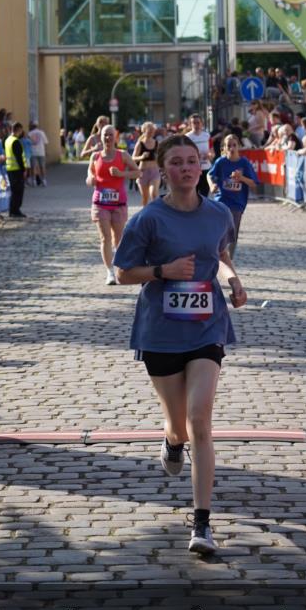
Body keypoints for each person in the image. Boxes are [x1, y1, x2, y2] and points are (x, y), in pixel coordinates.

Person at [113, 134, 247, 554]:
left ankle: (202, 523)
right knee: (179, 426)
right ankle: (172, 442)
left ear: (201, 165)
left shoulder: (218, 213)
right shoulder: (148, 219)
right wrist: (163, 271)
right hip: (161, 331)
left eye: (192, 161)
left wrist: (234, 281)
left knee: (200, 420)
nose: (186, 168)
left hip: (207, 326)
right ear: (162, 169)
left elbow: (220, 257)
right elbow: (123, 273)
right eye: (176, 162)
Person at [86, 125, 139, 285]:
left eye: (110, 135)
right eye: (105, 135)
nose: (108, 138)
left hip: (118, 203)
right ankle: (109, 272)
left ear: (115, 137)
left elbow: (138, 172)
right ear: (101, 137)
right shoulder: (95, 156)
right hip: (100, 202)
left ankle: (119, 268)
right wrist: (90, 179)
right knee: (105, 238)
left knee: (118, 238)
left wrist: (121, 173)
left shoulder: (122, 155)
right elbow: (89, 174)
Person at [207, 133, 259, 257]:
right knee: (220, 230)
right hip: (222, 201)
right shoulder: (221, 162)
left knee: (233, 234)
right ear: (224, 148)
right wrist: (212, 185)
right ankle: (218, 255)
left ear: (239, 146)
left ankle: (229, 259)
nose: (231, 148)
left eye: (234, 145)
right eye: (228, 145)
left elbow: (254, 184)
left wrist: (241, 178)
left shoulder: (244, 163)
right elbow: (209, 174)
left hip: (237, 203)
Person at [133, 121, 161, 206]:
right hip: (143, 172)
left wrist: (158, 157)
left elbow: (162, 157)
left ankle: (155, 212)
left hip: (154, 172)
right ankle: (145, 212)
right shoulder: (140, 144)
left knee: (154, 194)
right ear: (144, 131)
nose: (151, 133)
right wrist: (141, 157)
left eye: (153, 131)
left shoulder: (156, 143)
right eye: (149, 131)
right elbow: (133, 158)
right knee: (145, 198)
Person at [185, 114, 213, 196]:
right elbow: (184, 154)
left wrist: (209, 155)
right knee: (193, 193)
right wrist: (195, 156)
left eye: (198, 122)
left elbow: (212, 152)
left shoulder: (207, 136)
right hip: (193, 169)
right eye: (194, 123)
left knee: (204, 194)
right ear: (190, 124)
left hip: (206, 168)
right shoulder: (187, 137)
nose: (196, 125)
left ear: (201, 123)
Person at [5, 122, 27, 218]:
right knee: (18, 191)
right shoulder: (15, 141)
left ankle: (12, 210)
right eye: (21, 130)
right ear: (19, 130)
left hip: (10, 169)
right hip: (16, 169)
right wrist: (23, 169)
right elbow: (19, 157)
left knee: (14, 191)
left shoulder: (8, 140)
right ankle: (15, 210)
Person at [29, 121, 49, 186]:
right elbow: (45, 142)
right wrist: (46, 151)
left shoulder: (29, 133)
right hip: (41, 152)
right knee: (42, 166)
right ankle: (44, 180)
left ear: (31, 126)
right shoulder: (42, 133)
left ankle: (34, 181)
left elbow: (28, 144)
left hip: (33, 152)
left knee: (33, 167)